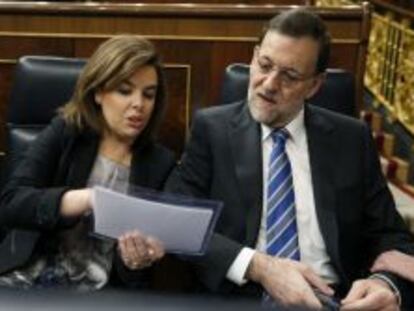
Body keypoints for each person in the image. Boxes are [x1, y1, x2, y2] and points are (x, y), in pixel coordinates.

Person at [165, 8, 414, 310]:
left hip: (335, 299)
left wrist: (385, 284)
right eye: (264, 65)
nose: (269, 84)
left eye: (290, 76)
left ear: (315, 85)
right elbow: (176, 218)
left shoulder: (351, 139)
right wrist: (260, 267)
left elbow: (391, 234)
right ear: (254, 55)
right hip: (240, 298)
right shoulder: (212, 129)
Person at [0, 35, 174, 290]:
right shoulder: (66, 132)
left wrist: (136, 260)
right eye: (124, 91)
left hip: (103, 294)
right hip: (29, 278)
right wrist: (87, 199)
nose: (139, 105)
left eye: (149, 95)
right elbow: (11, 204)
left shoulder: (160, 163)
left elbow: (136, 276)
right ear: (98, 93)